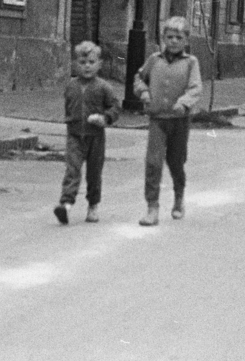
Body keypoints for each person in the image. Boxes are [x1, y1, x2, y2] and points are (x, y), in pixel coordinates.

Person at [134, 16, 203, 227]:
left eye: (178, 37)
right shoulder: (154, 60)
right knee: (153, 163)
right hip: (157, 119)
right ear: (163, 38)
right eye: (170, 37)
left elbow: (195, 88)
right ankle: (152, 207)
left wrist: (184, 102)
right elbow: (139, 78)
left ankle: (179, 197)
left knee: (176, 162)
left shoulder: (191, 63)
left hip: (179, 121)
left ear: (186, 41)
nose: (173, 41)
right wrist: (144, 92)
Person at [54, 41, 120, 225]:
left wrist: (105, 118)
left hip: (96, 137)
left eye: (91, 62)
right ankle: (65, 205)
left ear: (99, 64)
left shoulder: (103, 87)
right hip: (75, 135)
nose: (87, 66)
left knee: (94, 173)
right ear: (76, 64)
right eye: (82, 62)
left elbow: (115, 107)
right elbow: (69, 106)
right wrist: (70, 120)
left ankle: (93, 205)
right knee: (72, 170)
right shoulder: (71, 86)